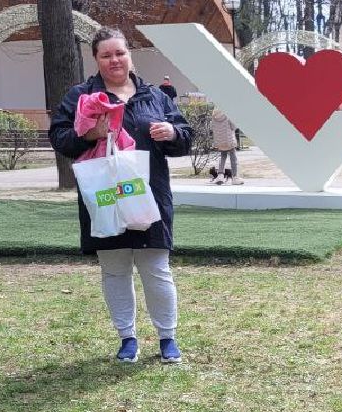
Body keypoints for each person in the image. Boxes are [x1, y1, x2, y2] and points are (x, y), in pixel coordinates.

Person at [49, 28, 193, 363]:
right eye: (106, 55)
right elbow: (60, 138)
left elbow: (186, 137)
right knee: (114, 270)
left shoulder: (155, 96)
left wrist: (172, 132)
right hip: (105, 196)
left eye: (120, 53)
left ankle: (167, 337)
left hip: (150, 195)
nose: (115, 60)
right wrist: (89, 134)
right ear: (96, 60)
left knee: (156, 268)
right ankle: (127, 337)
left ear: (130, 55)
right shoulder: (82, 96)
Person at [209, 108, 242, 185]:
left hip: (220, 142)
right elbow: (233, 127)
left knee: (223, 157)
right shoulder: (228, 114)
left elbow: (211, 127)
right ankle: (235, 177)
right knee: (233, 158)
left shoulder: (214, 115)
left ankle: (220, 175)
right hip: (229, 141)